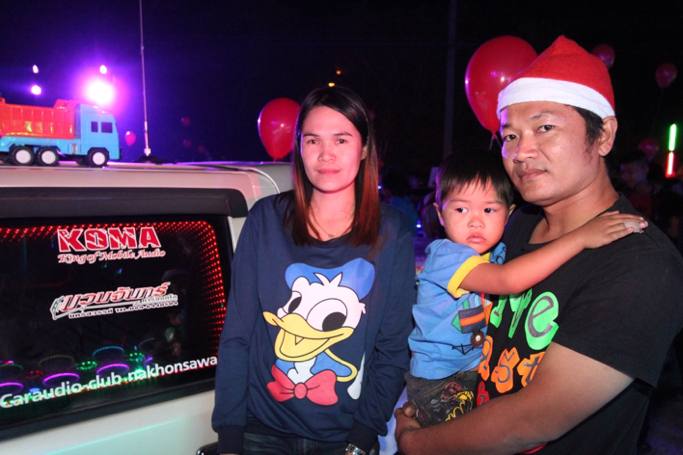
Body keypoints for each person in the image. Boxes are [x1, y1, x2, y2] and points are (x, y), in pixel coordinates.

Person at [396, 35, 683, 454]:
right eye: (510, 136)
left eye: (545, 128)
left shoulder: (641, 265)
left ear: (603, 135)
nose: (521, 152)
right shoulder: (513, 226)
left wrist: (417, 444)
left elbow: (531, 420)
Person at [212, 86, 415, 455]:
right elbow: (238, 334)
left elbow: (393, 347)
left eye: (341, 139)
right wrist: (229, 435)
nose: (326, 154)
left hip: (345, 438)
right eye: (312, 140)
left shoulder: (392, 232)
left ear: (364, 148)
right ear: (300, 147)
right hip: (262, 432)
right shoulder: (266, 220)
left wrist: (361, 438)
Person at [406, 152, 645, 427]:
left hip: (474, 369)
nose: (475, 221)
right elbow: (508, 280)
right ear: (440, 214)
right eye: (461, 210)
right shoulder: (445, 256)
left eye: (488, 210)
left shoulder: (498, 251)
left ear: (508, 214)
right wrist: (581, 238)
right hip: (439, 377)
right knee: (454, 441)